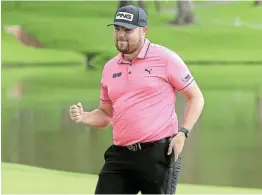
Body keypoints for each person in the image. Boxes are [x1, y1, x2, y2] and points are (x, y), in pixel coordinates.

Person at [69, 4, 204, 195]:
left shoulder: (165, 59)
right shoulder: (109, 68)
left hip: (159, 153)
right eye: (117, 29)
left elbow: (196, 97)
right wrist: (84, 117)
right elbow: (106, 115)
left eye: (128, 30)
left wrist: (183, 133)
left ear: (144, 31)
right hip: (121, 155)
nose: (121, 35)